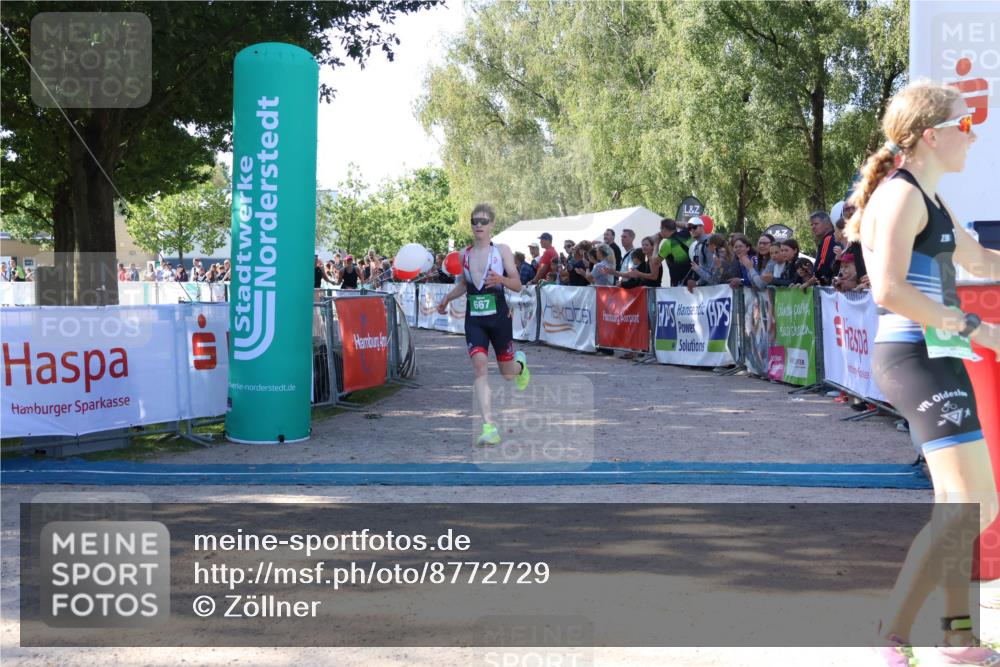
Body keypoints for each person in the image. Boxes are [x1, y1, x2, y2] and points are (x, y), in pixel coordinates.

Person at [847, 81, 1000, 667]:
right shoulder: (902, 197)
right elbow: (887, 289)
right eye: (965, 125)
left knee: (957, 507)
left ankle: (957, 636)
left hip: (937, 356)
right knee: (974, 505)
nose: (974, 134)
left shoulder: (932, 198)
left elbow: (980, 259)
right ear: (931, 136)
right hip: (914, 357)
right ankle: (892, 631)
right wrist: (974, 329)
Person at [437, 204, 531, 446]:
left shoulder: (502, 251)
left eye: (483, 221)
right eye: (474, 221)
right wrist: (447, 298)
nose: (478, 225)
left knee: (508, 374)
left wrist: (500, 279)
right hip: (475, 319)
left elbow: (518, 284)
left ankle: (520, 364)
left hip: (499, 316)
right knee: (480, 367)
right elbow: (463, 284)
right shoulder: (463, 255)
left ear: (491, 225)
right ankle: (489, 427)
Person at [657, 218, 691, 287]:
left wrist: (656, 243)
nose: (660, 232)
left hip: (678, 283)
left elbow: (656, 262)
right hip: (693, 280)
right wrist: (673, 223)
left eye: (661, 229)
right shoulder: (686, 233)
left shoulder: (667, 243)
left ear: (665, 229)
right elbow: (687, 225)